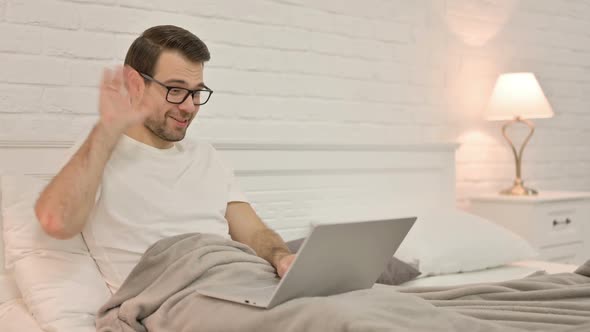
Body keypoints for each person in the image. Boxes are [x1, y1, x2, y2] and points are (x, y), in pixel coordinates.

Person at [34, 25, 295, 293]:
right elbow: (56, 221)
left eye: (196, 92)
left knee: (327, 295)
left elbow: (253, 232)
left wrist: (281, 257)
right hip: (173, 298)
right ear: (135, 84)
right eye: (175, 90)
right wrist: (106, 131)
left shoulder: (206, 155)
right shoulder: (98, 152)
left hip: (237, 280)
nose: (189, 107)